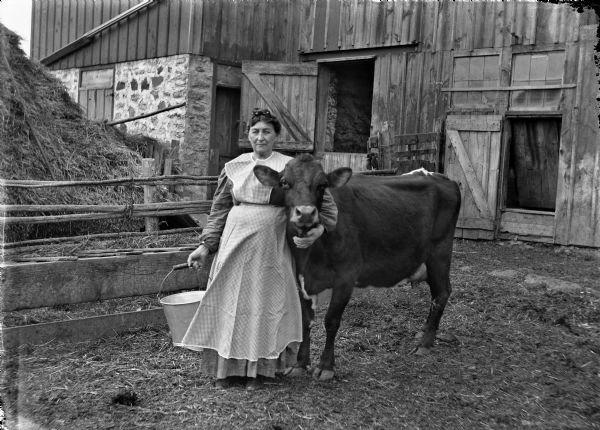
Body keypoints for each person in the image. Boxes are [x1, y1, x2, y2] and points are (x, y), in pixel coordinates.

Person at [179, 108, 338, 391]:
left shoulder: (292, 167)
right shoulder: (235, 167)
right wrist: (205, 246)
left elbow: (324, 206)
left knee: (266, 306)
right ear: (248, 136)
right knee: (230, 305)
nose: (260, 137)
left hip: (271, 248)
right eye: (255, 132)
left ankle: (260, 371)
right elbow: (219, 209)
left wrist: (319, 230)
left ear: (277, 136)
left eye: (267, 131)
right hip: (234, 245)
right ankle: (226, 372)